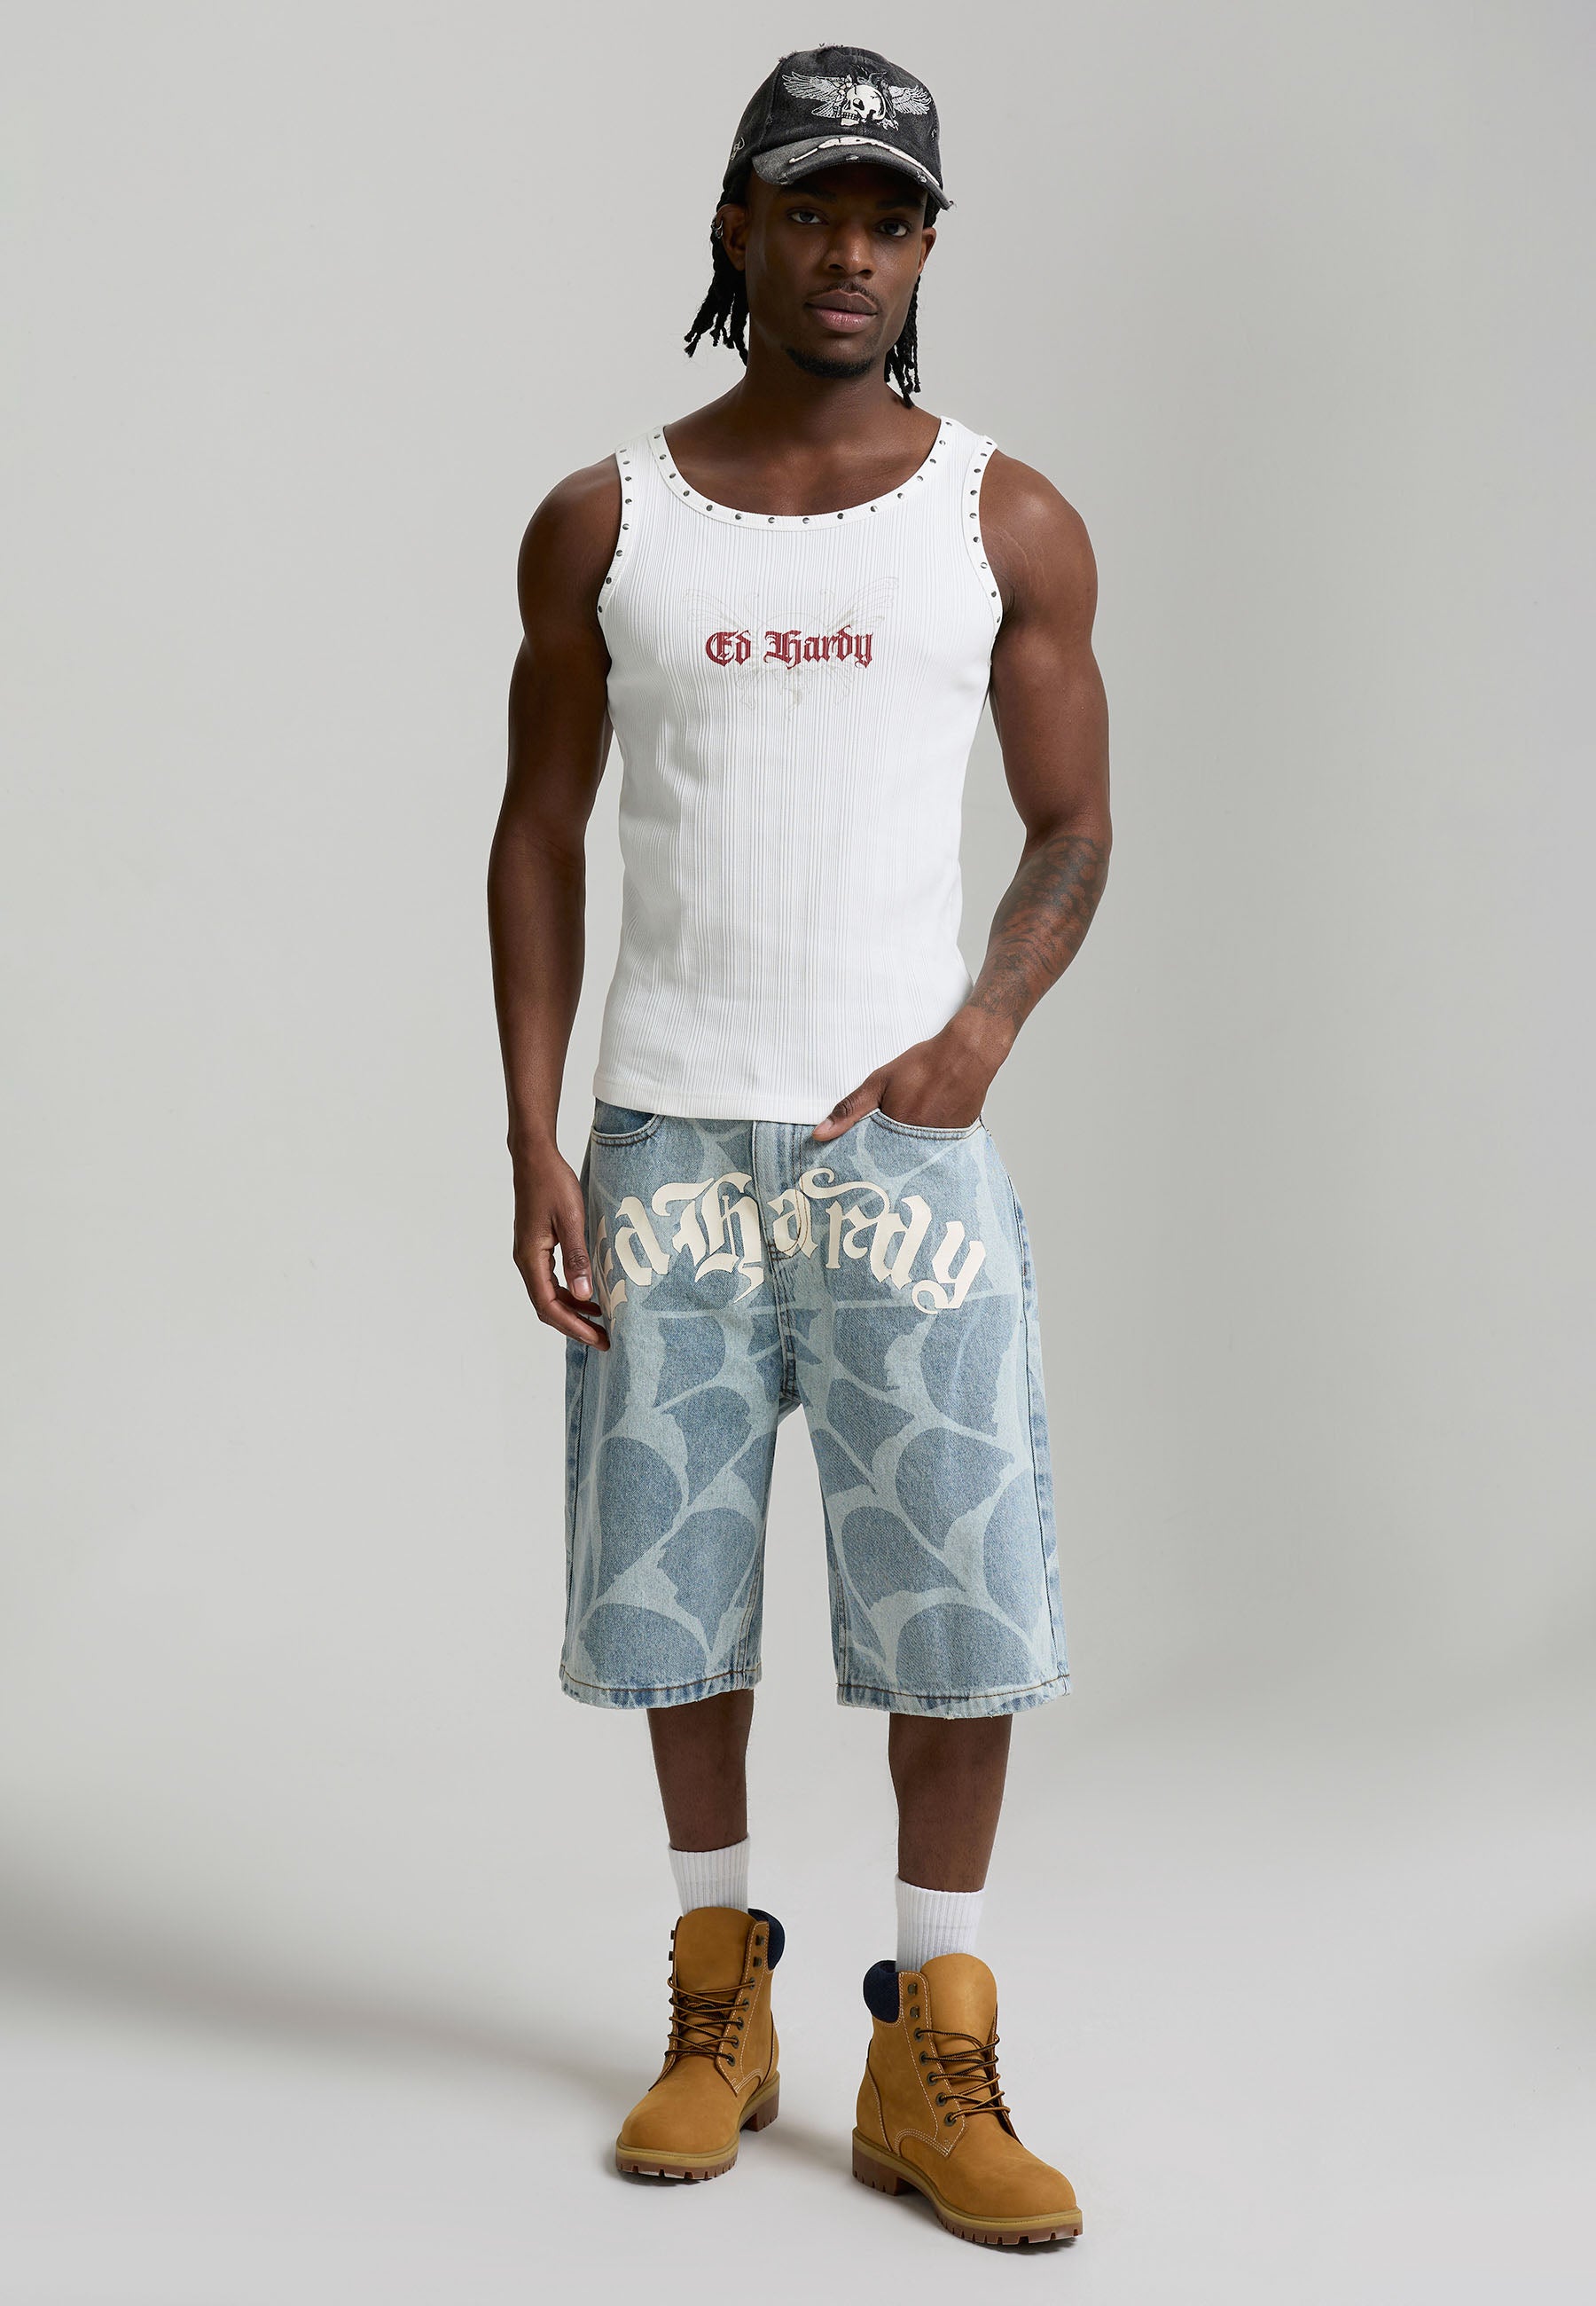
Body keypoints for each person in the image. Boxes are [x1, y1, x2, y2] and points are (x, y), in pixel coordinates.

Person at [488, 42, 1110, 2248]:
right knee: (672, 1596)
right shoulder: (608, 521)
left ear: (927, 249)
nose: (851, 251)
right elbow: (539, 830)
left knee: (957, 1592)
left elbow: (1071, 826)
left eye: (890, 217)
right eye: (813, 208)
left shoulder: (1004, 521)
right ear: (735, 228)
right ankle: (718, 2000)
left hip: (896, 1153)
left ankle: (934, 2046)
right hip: (664, 1132)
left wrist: (981, 1033)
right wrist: (536, 1130)